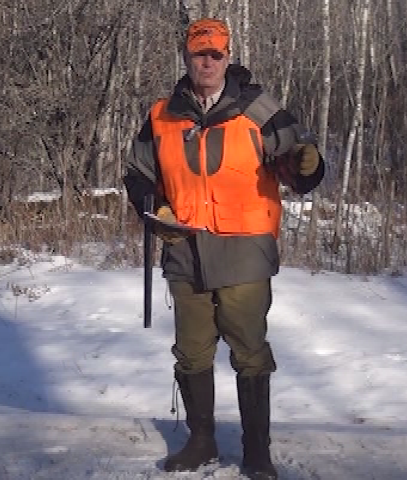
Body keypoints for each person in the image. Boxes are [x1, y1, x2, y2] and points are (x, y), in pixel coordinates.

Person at [122, 18, 325, 480]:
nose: (207, 62)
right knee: (191, 352)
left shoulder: (259, 108)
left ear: (228, 57)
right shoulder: (161, 115)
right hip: (185, 248)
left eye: (215, 54)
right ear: (187, 58)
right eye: (199, 54)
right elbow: (138, 175)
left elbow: (299, 169)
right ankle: (200, 441)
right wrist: (156, 209)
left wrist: (306, 163)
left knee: (249, 351)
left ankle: (257, 452)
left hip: (245, 251)